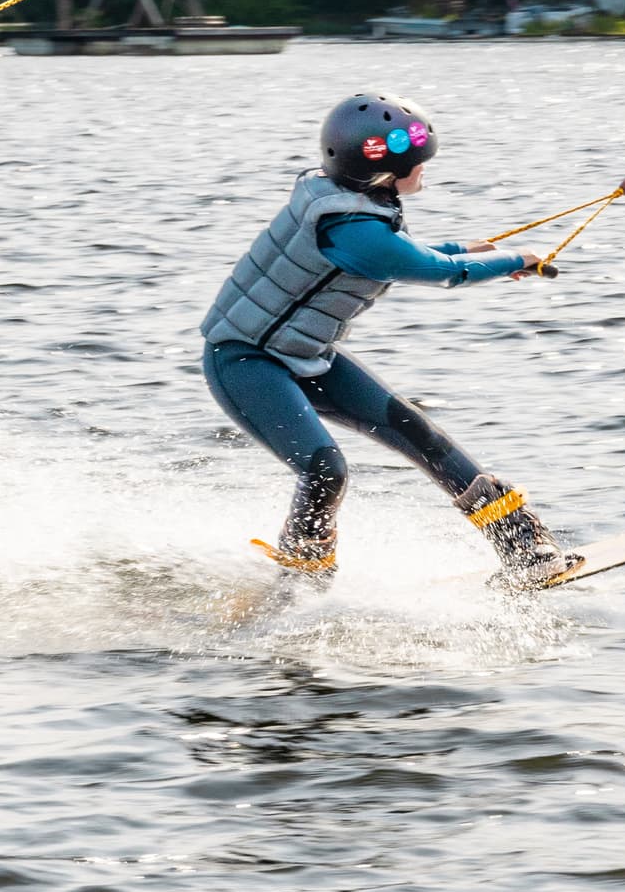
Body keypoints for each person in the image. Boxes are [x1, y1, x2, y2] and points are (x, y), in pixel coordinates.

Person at [202, 92, 572, 587]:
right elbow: (439, 272)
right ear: (382, 171)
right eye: (417, 163)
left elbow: (413, 254)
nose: (424, 169)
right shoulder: (353, 231)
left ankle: (520, 546)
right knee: (325, 468)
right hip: (246, 363)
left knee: (421, 435)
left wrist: (468, 248)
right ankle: (301, 575)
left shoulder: (351, 206)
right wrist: (517, 257)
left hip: (307, 356)